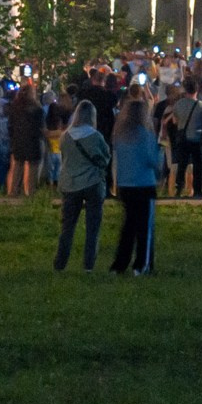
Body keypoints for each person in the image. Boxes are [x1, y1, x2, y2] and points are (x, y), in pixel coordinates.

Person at [53, 99, 110, 268]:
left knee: (67, 228)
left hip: (70, 184)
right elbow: (105, 158)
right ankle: (88, 265)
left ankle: (60, 263)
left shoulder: (65, 137)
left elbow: (65, 159)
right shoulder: (96, 136)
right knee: (92, 227)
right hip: (92, 183)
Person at [110, 93, 160, 275]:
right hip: (144, 184)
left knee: (128, 226)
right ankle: (142, 264)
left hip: (125, 185)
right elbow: (151, 159)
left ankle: (119, 264)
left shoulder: (120, 136)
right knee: (144, 228)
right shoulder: (145, 135)